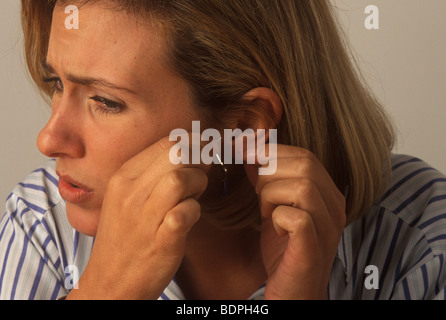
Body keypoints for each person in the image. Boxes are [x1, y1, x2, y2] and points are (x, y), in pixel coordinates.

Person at [1, 0, 445, 300]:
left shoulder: (419, 235)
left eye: (106, 101)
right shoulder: (40, 227)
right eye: (57, 83)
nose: (48, 139)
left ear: (244, 125)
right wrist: (104, 291)